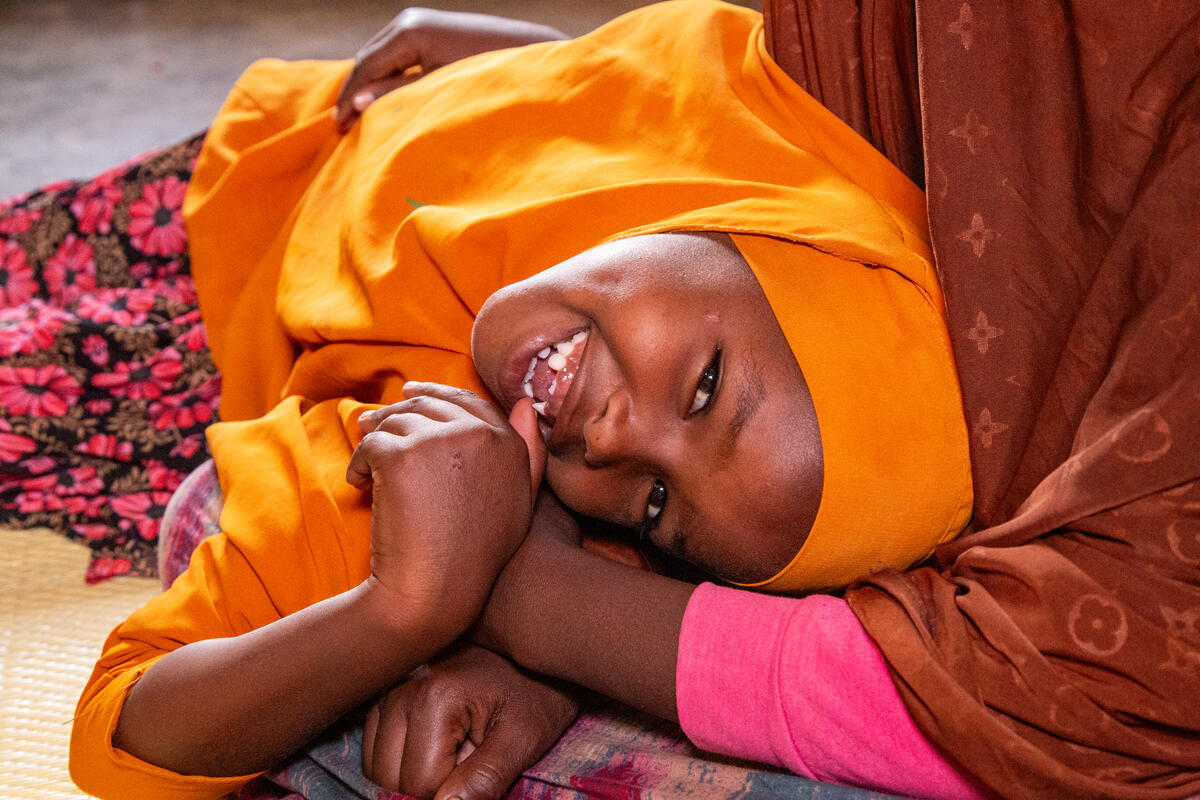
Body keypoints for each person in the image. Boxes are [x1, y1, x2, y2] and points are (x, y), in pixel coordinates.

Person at [61, 1, 1200, 799]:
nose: (609, 440)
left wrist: (401, 610)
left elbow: (127, 729)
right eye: (704, 389)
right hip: (425, 85)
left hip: (263, 181)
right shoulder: (781, 128)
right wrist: (541, 66)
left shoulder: (439, 448)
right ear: (780, 235)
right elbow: (685, 68)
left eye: (653, 504)